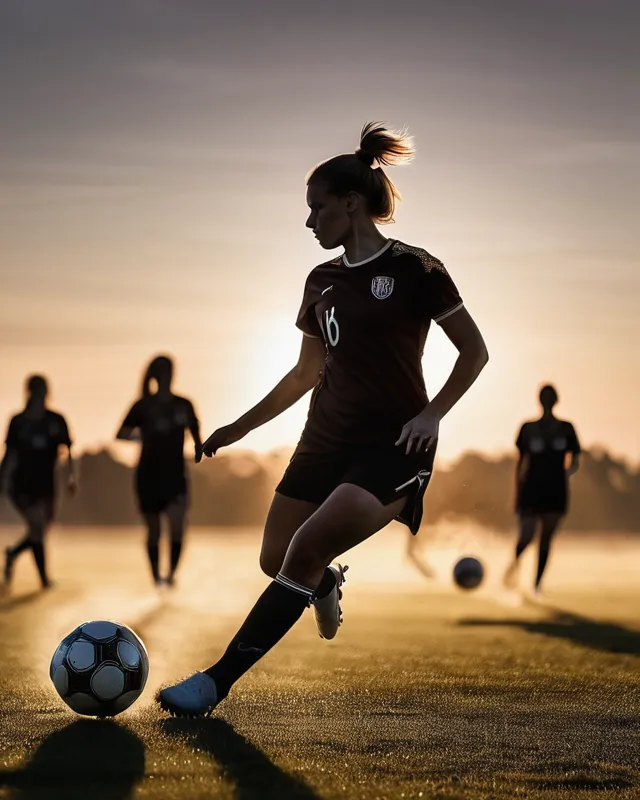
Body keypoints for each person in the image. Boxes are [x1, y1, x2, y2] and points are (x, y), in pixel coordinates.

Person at [157, 122, 489, 717]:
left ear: (350, 204)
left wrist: (433, 415)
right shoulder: (321, 282)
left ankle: (214, 683)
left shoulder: (418, 269)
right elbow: (304, 373)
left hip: (392, 448)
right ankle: (327, 583)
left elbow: (475, 351)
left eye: (316, 208)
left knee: (304, 550)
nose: (309, 221)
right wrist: (239, 428)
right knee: (276, 559)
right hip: (323, 440)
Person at [116, 355, 202, 587]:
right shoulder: (143, 405)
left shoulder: (183, 404)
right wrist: (143, 435)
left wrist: (198, 449)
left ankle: (171, 574)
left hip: (175, 475)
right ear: (156, 375)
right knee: (154, 530)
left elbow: (196, 434)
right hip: (148, 475)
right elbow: (121, 433)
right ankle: (155, 575)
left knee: (177, 527)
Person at [0, 375, 76, 590]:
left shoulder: (56, 420)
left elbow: (68, 449)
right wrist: (2, 478)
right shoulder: (19, 422)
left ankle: (13, 553)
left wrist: (72, 477)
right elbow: (10, 453)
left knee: (40, 531)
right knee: (36, 526)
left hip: (47, 485)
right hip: (22, 484)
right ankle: (44, 579)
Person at [503, 384, 580, 596]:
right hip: (531, 489)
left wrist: (565, 473)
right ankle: (513, 568)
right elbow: (520, 463)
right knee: (527, 535)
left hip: (556, 490)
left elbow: (574, 460)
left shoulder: (566, 429)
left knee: (546, 538)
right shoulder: (528, 428)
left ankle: (536, 585)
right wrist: (517, 491)